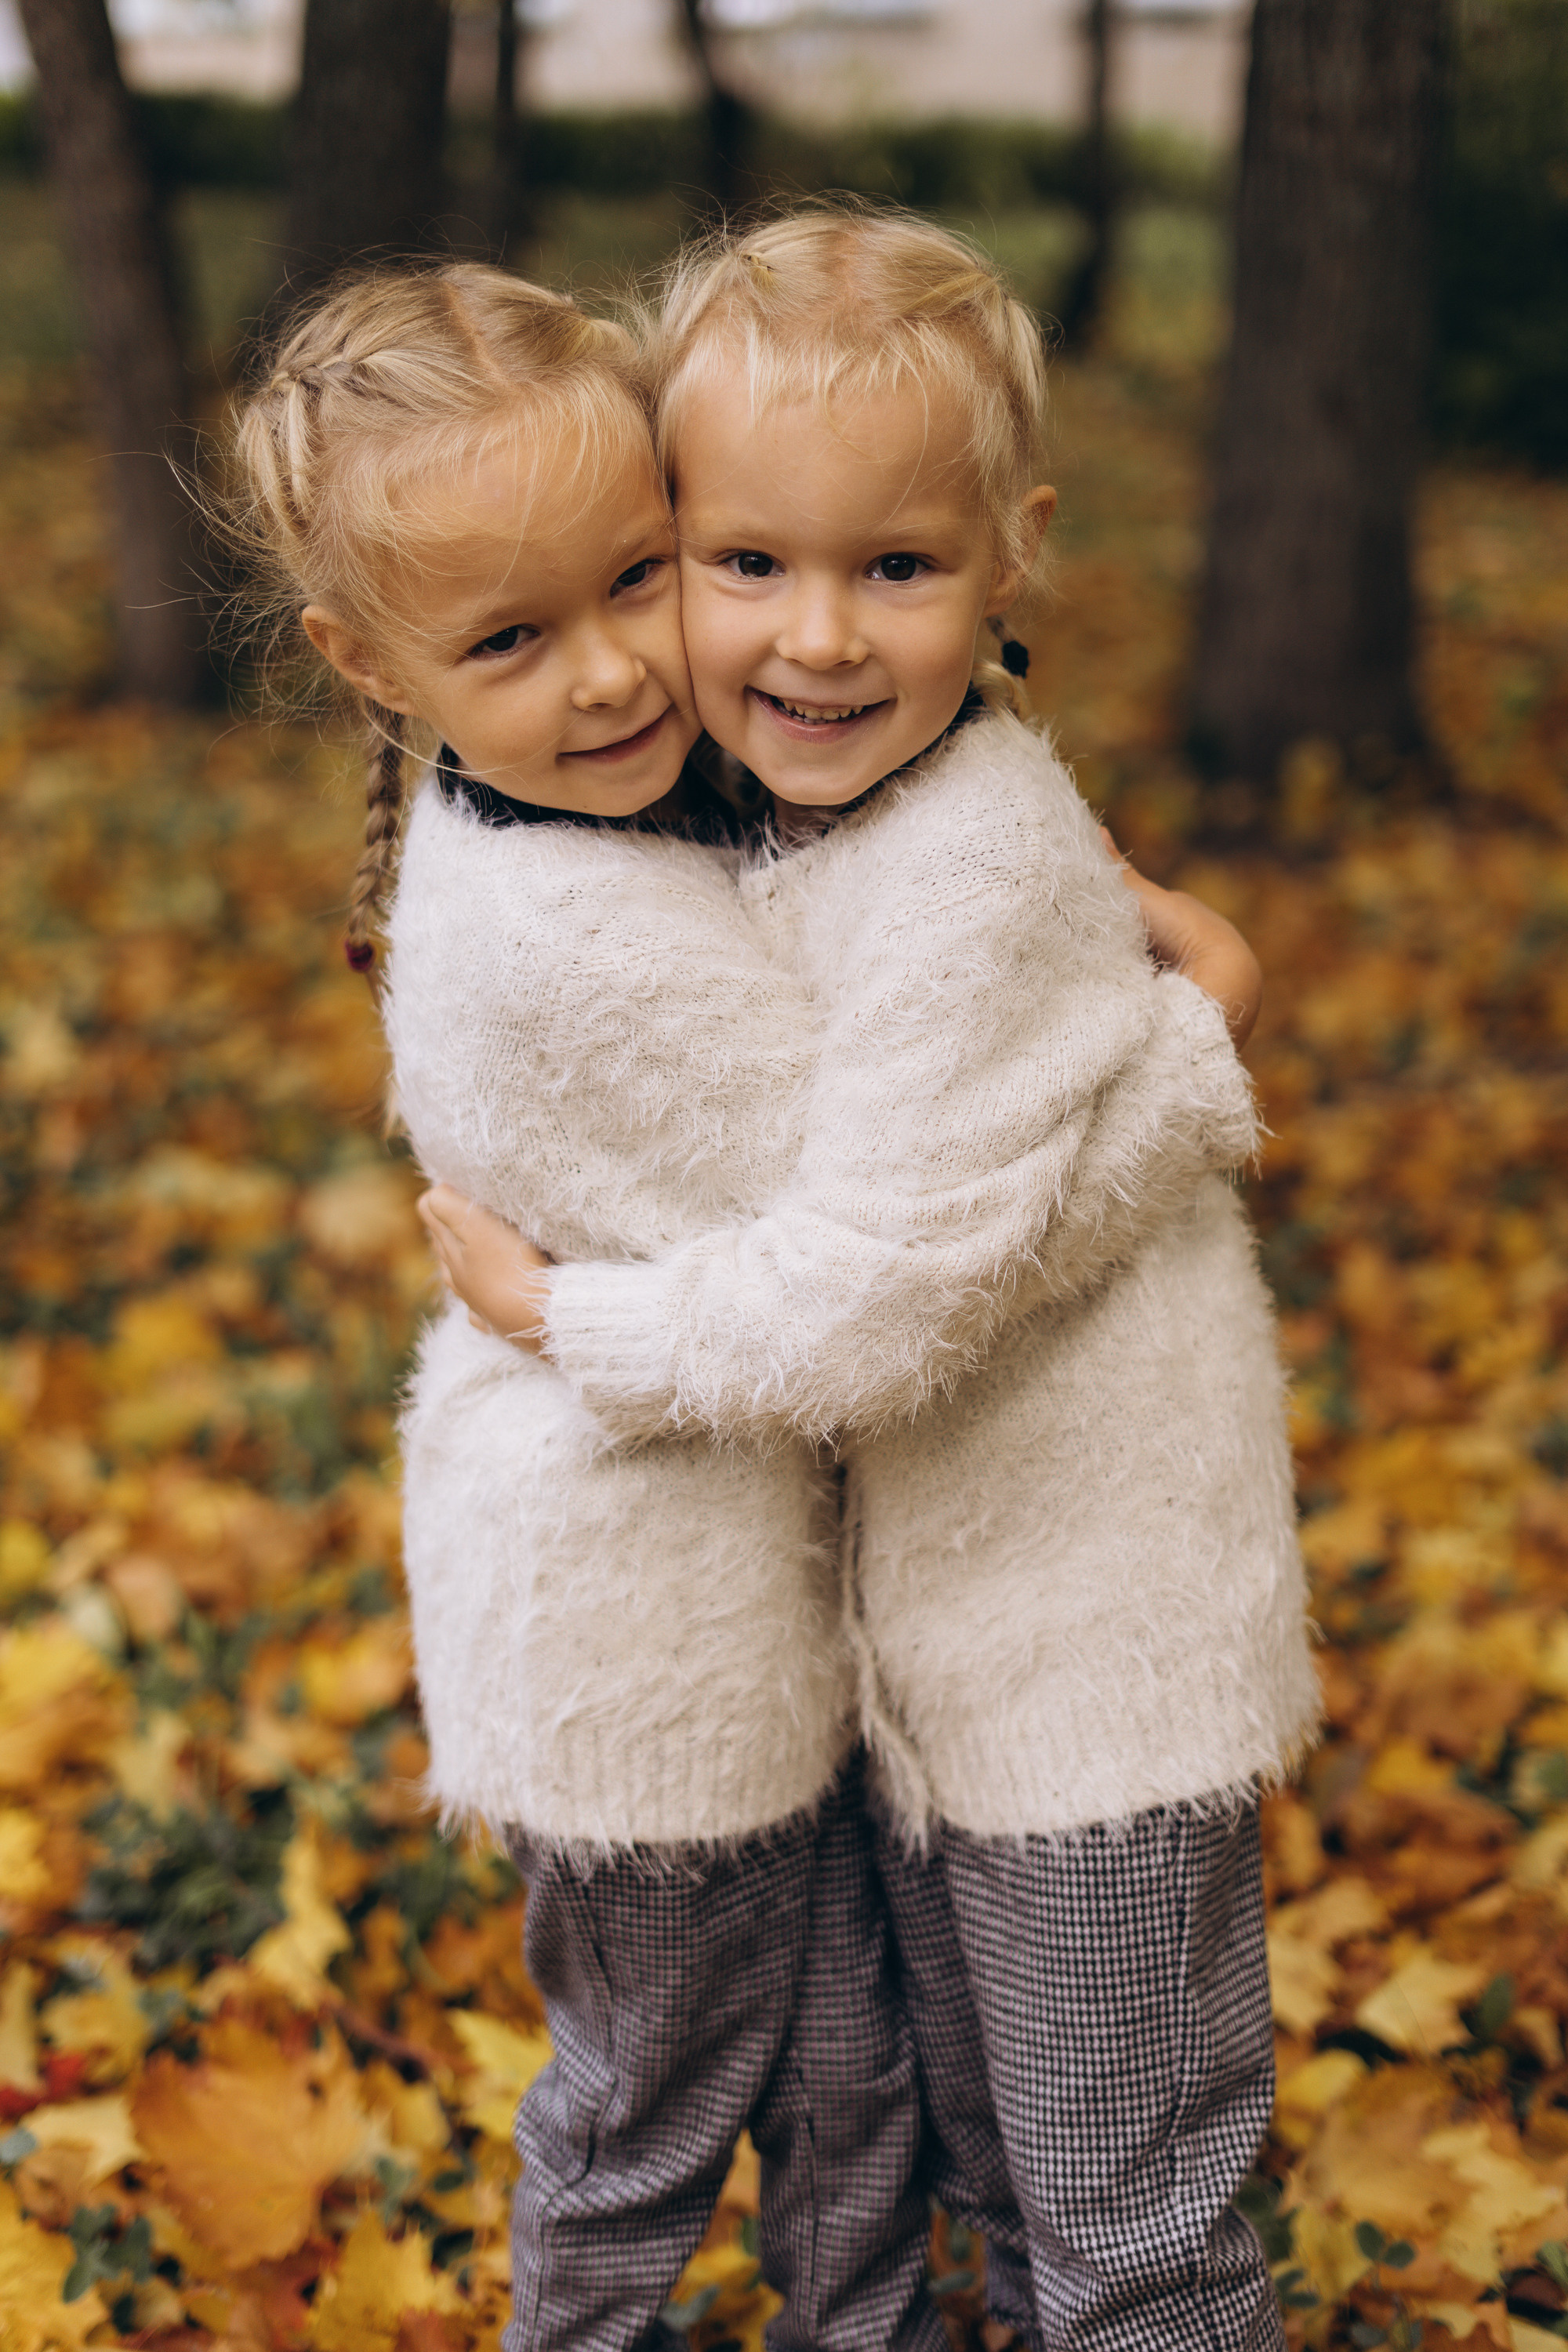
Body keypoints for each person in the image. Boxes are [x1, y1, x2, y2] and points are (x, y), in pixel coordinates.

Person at [424, 207, 1317, 2352]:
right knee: (1002, 2172)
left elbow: (880, 1293)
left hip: (1093, 1657)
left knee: (1128, 2225)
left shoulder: (970, 860)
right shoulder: (758, 808)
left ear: (1011, 560)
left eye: (896, 567)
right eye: (744, 560)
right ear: (666, 542)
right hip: (936, 1653)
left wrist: (566, 1322)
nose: (815, 637)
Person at [227, 259, 945, 2352]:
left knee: (851, 2076)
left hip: (759, 1598)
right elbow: (883, 1198)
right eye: (511, 638)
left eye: (642, 577)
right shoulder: (540, 940)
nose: (619, 670)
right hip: (634, 1647)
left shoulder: (643, 810)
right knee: (649, 2105)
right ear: (367, 662)